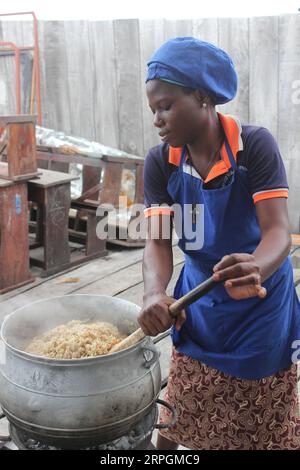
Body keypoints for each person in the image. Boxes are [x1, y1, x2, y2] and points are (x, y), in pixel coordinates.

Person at [138, 37, 300, 450]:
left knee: (262, 417)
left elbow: (278, 232)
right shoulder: (161, 162)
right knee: (179, 411)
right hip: (198, 301)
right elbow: (157, 242)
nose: (158, 118)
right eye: (153, 108)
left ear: (204, 97)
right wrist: (155, 292)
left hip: (260, 300)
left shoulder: (254, 146)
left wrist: (256, 267)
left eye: (167, 105)